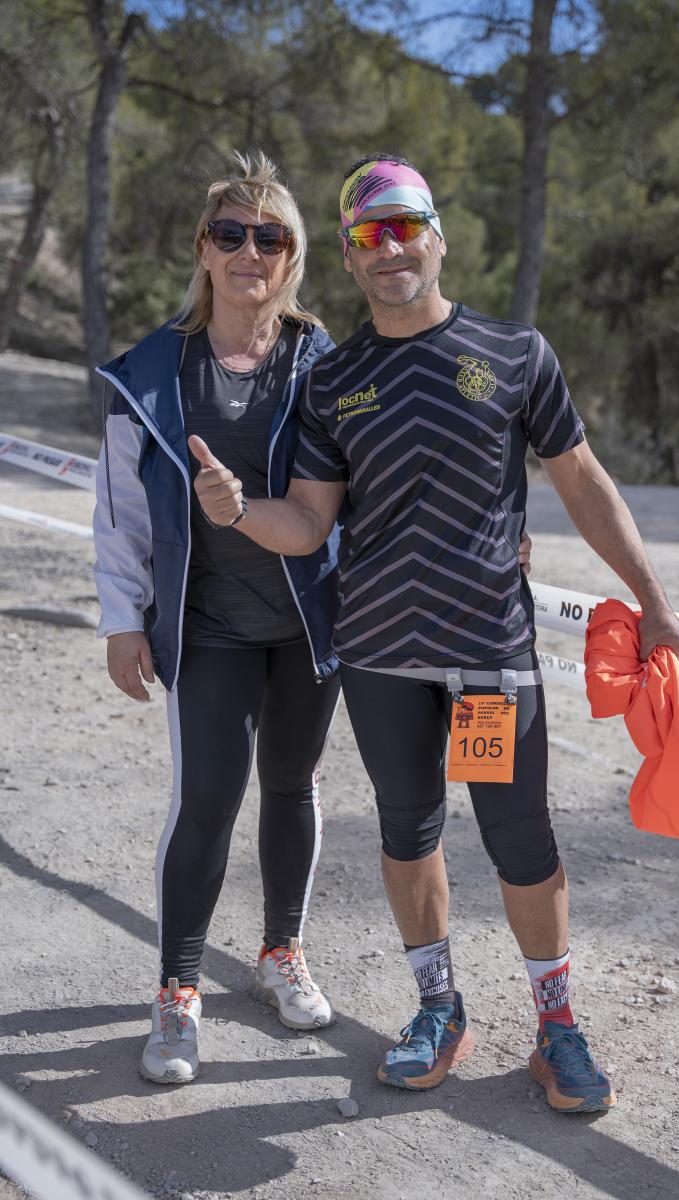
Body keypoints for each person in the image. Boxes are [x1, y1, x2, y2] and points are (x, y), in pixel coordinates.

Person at [191, 154, 670, 1114]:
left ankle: (558, 1030)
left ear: (437, 240)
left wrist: (651, 598)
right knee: (408, 834)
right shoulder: (334, 380)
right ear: (349, 257)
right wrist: (239, 511)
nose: (390, 249)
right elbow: (311, 522)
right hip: (379, 659)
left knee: (519, 839)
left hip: (488, 658)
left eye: (405, 227)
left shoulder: (515, 353)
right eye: (369, 236)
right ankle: (438, 1011)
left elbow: (581, 479)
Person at [92, 153, 343, 1084]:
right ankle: (178, 991)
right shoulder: (154, 370)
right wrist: (123, 617)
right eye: (230, 233)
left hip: (309, 623)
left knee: (293, 786)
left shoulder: (325, 363)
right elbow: (119, 508)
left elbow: (382, 477)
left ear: (291, 258)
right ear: (203, 249)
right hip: (209, 627)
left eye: (270, 237)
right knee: (205, 798)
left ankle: (282, 952)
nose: (249, 251)